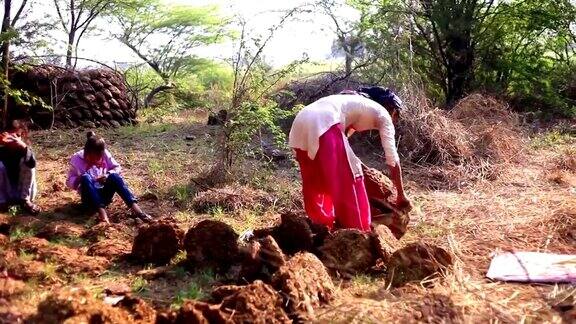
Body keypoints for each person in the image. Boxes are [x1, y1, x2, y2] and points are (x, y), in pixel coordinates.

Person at [288, 86, 411, 232]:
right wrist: (401, 195)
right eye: (396, 116)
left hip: (301, 121)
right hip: (325, 122)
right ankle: (357, 233)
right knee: (351, 182)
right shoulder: (383, 114)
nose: (395, 120)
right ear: (393, 110)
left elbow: (341, 147)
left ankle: (320, 227)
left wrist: (362, 167)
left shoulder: (352, 102)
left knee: (317, 179)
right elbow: (392, 159)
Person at [66, 131, 152, 224]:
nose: (94, 161)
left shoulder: (105, 154)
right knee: (86, 177)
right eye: (91, 158)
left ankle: (138, 211)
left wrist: (106, 176)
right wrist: (80, 178)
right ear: (86, 153)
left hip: (105, 195)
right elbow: (68, 182)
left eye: (97, 159)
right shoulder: (77, 159)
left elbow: (117, 167)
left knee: (114, 176)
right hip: (89, 199)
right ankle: (102, 214)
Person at [0, 120, 40, 214]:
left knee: (26, 162)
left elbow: (32, 164)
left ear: (22, 136)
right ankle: (2, 202)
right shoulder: (2, 150)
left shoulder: (25, 150)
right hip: (7, 192)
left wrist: (24, 147)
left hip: (23, 191)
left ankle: (25, 201)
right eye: (10, 137)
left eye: (16, 137)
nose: (13, 140)